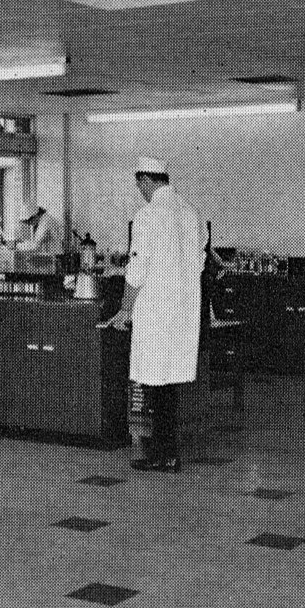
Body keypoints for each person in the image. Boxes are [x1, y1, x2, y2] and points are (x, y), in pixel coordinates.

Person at [108, 157, 204, 472]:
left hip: (155, 315)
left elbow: (136, 271)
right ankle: (168, 451)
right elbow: (200, 261)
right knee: (168, 385)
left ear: (147, 180)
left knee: (154, 384)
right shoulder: (191, 214)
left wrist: (125, 308)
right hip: (182, 315)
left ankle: (163, 454)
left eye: (139, 185)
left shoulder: (148, 216)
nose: (140, 191)